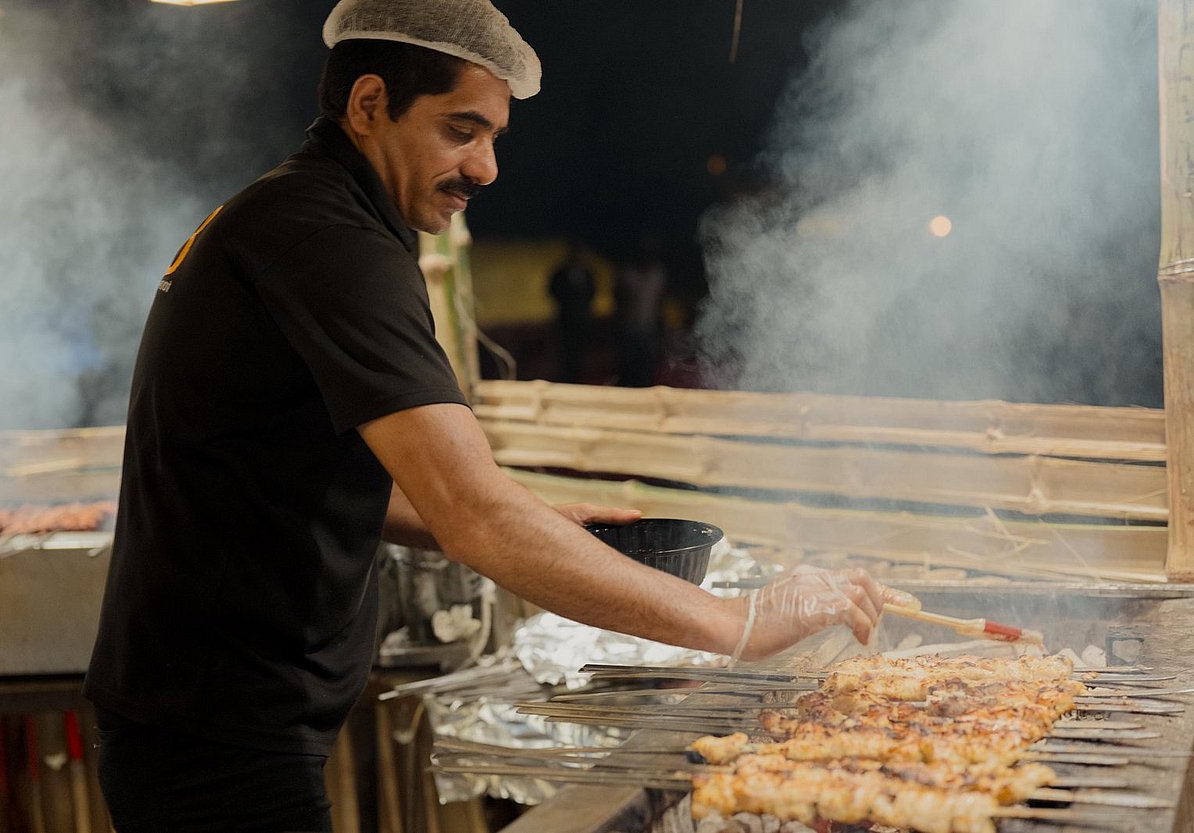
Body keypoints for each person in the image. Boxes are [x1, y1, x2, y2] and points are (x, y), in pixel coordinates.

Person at [83, 2, 917, 831]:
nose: (485, 168)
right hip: (211, 729)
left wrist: (535, 517)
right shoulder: (327, 239)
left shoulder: (305, 214)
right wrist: (741, 624)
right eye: (460, 130)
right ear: (369, 104)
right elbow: (471, 511)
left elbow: (288, 463)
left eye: (493, 138)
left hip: (205, 714)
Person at [614, 237, 668, 386]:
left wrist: (660, 327)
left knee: (646, 369)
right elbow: (618, 299)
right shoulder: (627, 274)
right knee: (627, 368)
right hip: (629, 328)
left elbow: (660, 301)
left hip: (648, 328)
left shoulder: (658, 274)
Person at [547, 241, 597, 382]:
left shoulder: (587, 273)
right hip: (565, 320)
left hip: (582, 320)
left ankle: (579, 379)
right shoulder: (562, 272)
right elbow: (553, 290)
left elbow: (592, 293)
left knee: (580, 355)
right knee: (564, 355)